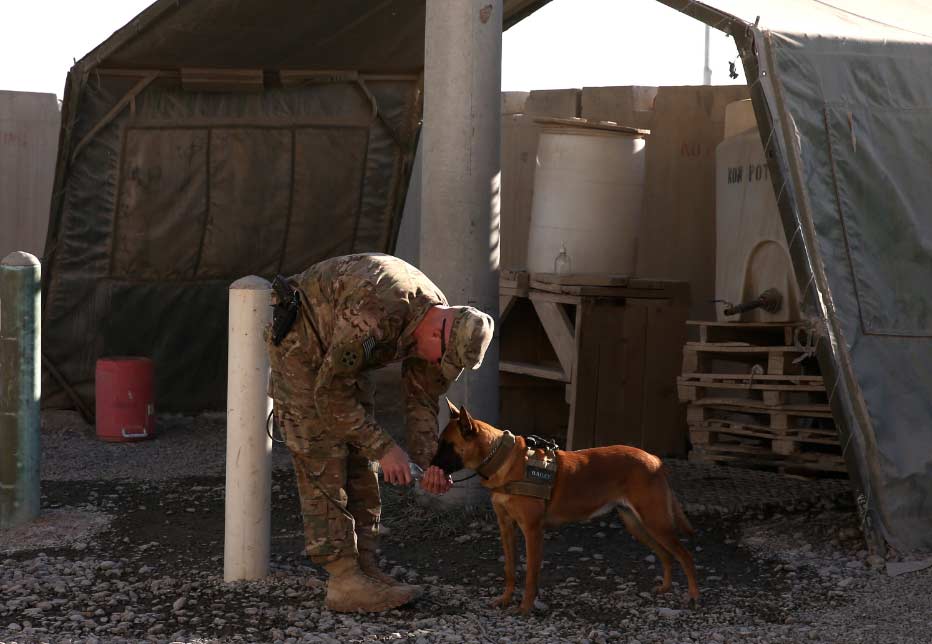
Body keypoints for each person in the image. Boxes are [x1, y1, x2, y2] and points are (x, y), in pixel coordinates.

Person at [266, 253, 494, 613]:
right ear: (438, 330)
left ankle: (365, 567)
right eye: (442, 357)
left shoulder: (439, 326)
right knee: (321, 448)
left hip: (341, 355)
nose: (438, 364)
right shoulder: (377, 311)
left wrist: (430, 465)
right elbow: (330, 393)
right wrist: (385, 447)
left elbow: (422, 399)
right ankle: (343, 579)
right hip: (304, 341)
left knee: (361, 455)